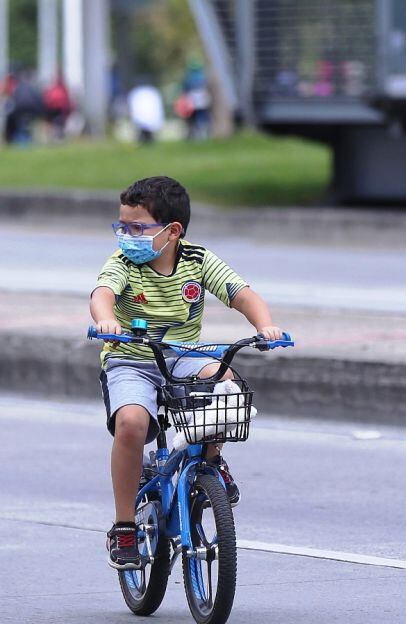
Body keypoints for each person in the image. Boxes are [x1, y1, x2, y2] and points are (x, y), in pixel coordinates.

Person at [90, 176, 284, 570]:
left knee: (226, 384)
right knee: (131, 424)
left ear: (172, 231)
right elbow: (102, 295)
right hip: (132, 358)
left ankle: (211, 462)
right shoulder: (123, 263)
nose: (127, 236)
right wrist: (107, 320)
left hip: (183, 355)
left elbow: (242, 294)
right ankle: (125, 526)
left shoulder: (197, 260)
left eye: (137, 228)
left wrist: (266, 326)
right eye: (122, 227)